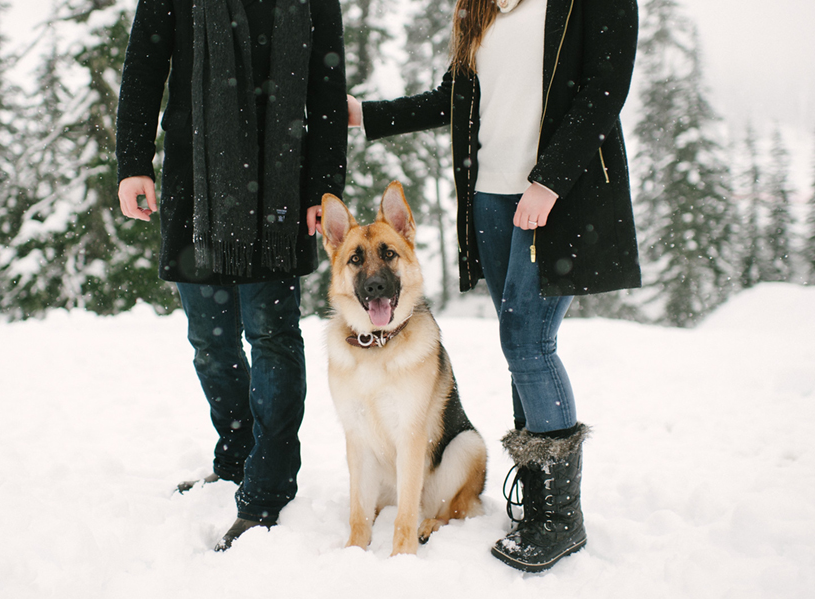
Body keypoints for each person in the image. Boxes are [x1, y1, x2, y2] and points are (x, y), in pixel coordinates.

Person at [346, 0, 640, 572]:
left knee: (529, 346)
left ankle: (560, 519)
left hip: (554, 197)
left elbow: (604, 91)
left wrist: (549, 182)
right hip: (491, 200)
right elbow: (452, 99)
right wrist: (368, 115)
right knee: (517, 345)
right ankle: (536, 501)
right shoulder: (481, 7)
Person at [116, 0, 347, 550]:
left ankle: (268, 485)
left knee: (272, 335)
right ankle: (237, 454)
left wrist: (324, 183)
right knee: (210, 339)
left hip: (281, 178)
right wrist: (132, 163)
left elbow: (326, 82)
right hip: (197, 182)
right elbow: (144, 67)